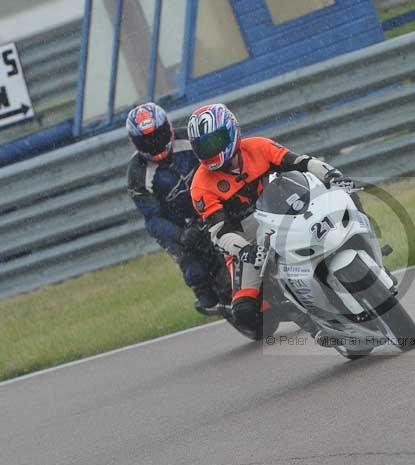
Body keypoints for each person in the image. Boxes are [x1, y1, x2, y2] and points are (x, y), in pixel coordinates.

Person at [186, 103, 354, 335]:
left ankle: (363, 250)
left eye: (215, 141)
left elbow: (301, 162)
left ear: (231, 129)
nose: (211, 150)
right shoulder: (200, 185)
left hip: (287, 214)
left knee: (343, 197)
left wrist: (331, 174)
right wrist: (245, 250)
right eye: (203, 146)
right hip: (247, 241)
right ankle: (304, 318)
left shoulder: (259, 146)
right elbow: (220, 231)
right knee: (245, 312)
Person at [125, 102, 225, 315]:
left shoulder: (190, 140)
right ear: (135, 143)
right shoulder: (137, 174)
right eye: (147, 141)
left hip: (211, 200)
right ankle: (204, 293)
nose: (154, 143)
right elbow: (152, 219)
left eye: (158, 135)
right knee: (195, 268)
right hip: (179, 223)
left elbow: (220, 161)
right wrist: (181, 235)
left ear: (168, 128)